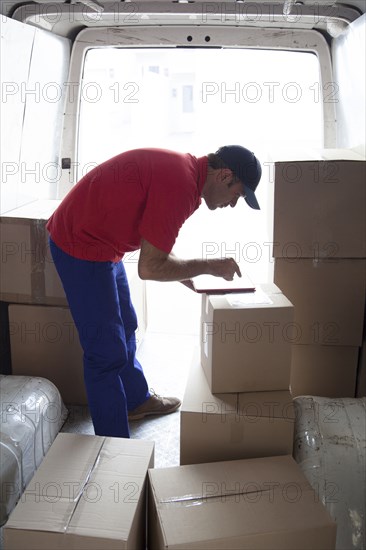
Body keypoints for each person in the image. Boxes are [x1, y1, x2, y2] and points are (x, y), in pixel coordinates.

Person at [47, 145, 262, 438]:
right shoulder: (181, 185)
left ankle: (136, 401)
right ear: (225, 176)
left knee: (127, 324)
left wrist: (187, 273)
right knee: (105, 353)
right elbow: (149, 268)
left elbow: (156, 238)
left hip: (104, 242)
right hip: (81, 244)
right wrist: (208, 265)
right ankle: (116, 451)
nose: (233, 204)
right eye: (237, 195)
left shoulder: (186, 174)